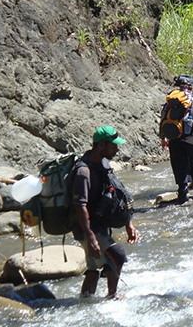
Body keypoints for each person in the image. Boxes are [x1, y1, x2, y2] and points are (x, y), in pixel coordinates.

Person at [71, 126, 139, 298]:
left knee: (93, 268)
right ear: (101, 146)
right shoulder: (83, 171)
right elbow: (80, 206)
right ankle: (112, 296)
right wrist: (91, 237)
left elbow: (117, 192)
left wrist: (128, 223)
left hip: (99, 225)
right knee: (118, 257)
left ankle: (85, 302)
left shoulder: (103, 164)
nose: (117, 149)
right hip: (87, 228)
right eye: (113, 146)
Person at [161, 81, 193, 203]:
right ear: (192, 89)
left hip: (174, 138)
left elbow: (163, 118)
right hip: (192, 139)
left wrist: (163, 137)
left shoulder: (170, 100)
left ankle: (182, 193)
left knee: (178, 164)